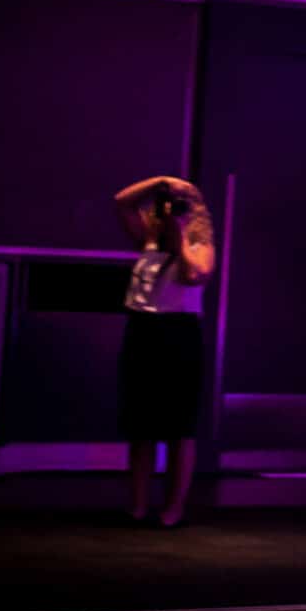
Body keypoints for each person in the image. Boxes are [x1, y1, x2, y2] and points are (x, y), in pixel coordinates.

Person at [113, 175, 214, 527]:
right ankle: (137, 505)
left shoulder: (201, 246)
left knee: (178, 427)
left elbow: (193, 275)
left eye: (180, 202)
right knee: (140, 426)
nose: (172, 207)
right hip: (143, 331)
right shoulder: (147, 239)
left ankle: (173, 508)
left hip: (179, 335)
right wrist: (159, 183)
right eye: (167, 202)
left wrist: (180, 231)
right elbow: (121, 201)